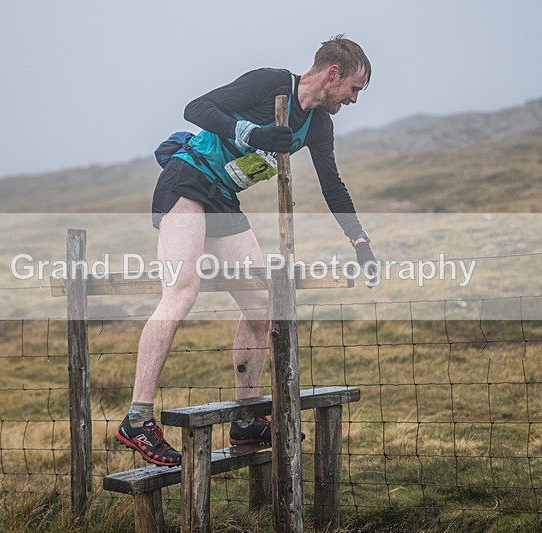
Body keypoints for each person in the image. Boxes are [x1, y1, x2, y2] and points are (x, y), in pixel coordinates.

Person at [115, 34, 379, 467]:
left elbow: (333, 186)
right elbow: (196, 108)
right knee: (181, 292)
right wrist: (249, 131)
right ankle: (138, 419)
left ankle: (246, 419)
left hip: (223, 199)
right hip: (187, 179)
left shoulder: (319, 125)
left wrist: (360, 241)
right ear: (332, 74)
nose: (353, 99)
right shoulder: (270, 82)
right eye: (354, 88)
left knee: (263, 304)